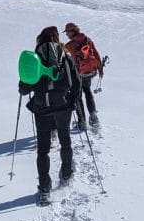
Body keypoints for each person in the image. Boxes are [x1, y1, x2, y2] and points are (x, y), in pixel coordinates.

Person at [18, 26, 80, 196]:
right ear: (56, 37)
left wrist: (25, 86)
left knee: (43, 149)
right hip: (63, 103)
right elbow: (76, 80)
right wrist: (74, 100)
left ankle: (45, 186)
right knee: (65, 139)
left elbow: (24, 88)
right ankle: (66, 174)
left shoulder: (35, 58)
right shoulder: (65, 55)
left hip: (41, 105)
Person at [63, 22, 103, 129]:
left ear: (72, 32)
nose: (66, 35)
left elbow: (63, 53)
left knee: (78, 96)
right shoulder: (87, 40)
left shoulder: (70, 45)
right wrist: (100, 69)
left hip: (77, 74)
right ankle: (94, 117)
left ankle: (82, 122)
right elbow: (96, 53)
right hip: (89, 72)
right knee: (88, 91)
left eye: (67, 32)